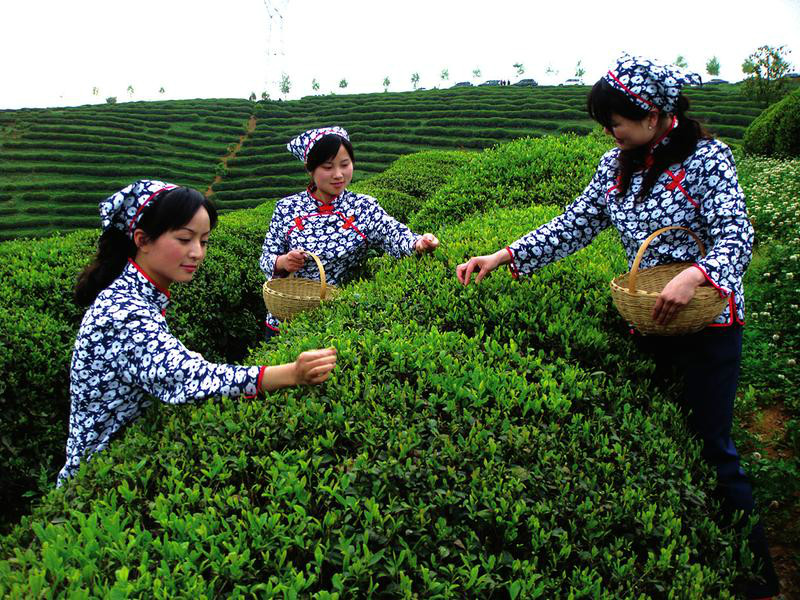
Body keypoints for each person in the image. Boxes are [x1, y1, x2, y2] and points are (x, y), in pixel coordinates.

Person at [456, 54, 779, 598]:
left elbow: (736, 234)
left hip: (708, 325)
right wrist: (503, 255)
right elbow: (575, 223)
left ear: (653, 115)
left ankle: (757, 577)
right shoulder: (617, 165)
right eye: (606, 124)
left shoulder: (707, 157)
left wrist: (698, 275)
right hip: (647, 321)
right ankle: (688, 564)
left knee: (712, 448)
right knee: (661, 443)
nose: (611, 132)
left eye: (618, 121)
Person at [58, 180, 337, 486]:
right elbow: (187, 376)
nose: (196, 253)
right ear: (142, 239)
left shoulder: (138, 294)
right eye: (184, 238)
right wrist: (291, 373)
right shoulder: (123, 313)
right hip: (93, 482)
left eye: (203, 241)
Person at [260, 126, 439, 336]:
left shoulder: (362, 207)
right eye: (328, 167)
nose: (338, 175)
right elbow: (266, 258)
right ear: (311, 169)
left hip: (336, 321)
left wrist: (418, 243)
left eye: (345, 165)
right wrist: (283, 262)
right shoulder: (286, 208)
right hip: (285, 321)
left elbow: (393, 233)